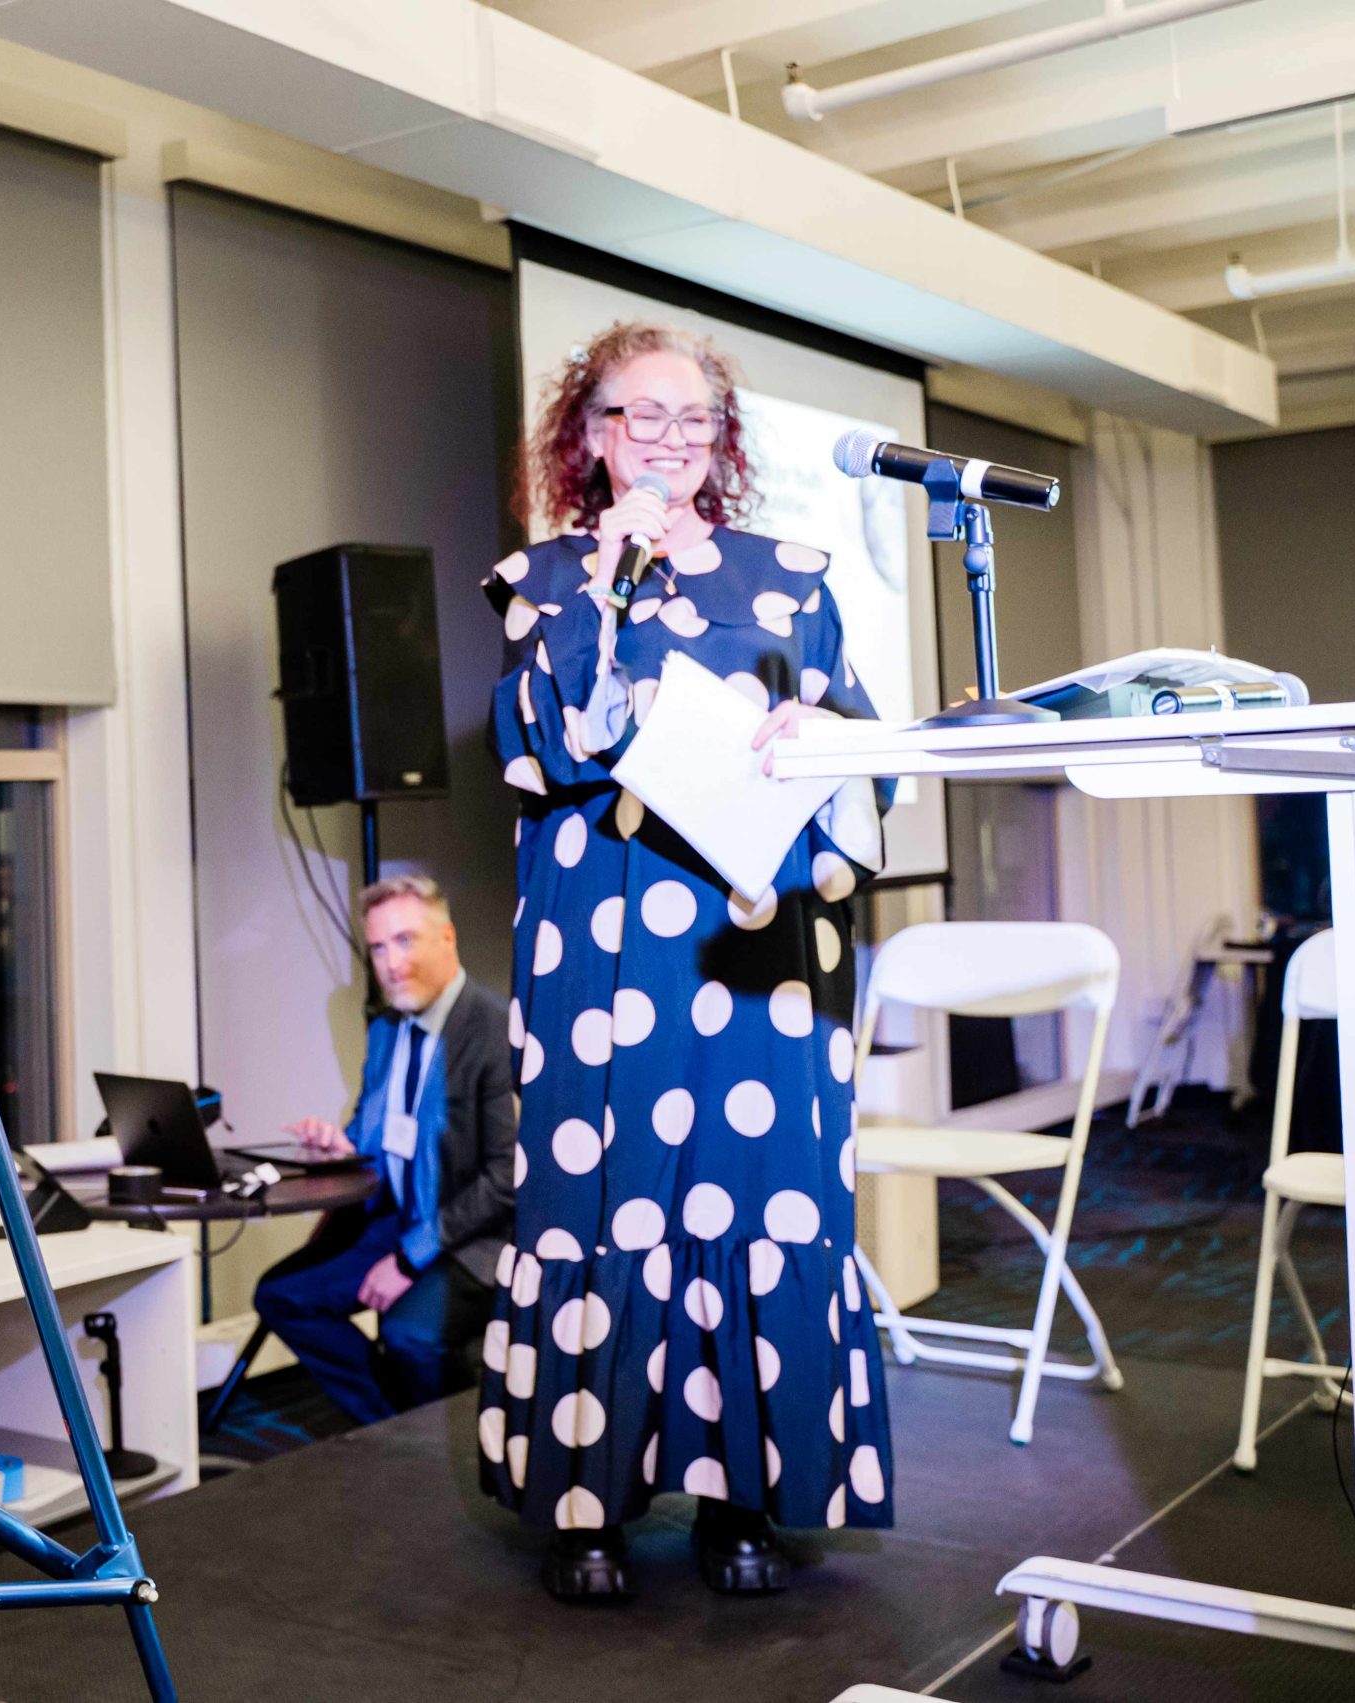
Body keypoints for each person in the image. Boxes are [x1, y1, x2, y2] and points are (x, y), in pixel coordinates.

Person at [474, 320, 893, 1603]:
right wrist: (602, 589)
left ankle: (743, 1494)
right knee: (605, 1202)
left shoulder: (794, 575)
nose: (664, 438)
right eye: (635, 415)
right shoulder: (541, 578)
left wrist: (809, 729)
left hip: (757, 936)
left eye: (690, 417)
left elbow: (868, 758)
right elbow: (549, 740)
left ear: (721, 439)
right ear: (590, 434)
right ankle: (587, 1502)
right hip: (603, 942)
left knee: (755, 1196)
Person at [251, 876, 519, 1425]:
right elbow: (373, 1134)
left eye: (405, 941)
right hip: (396, 1218)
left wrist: (407, 1257)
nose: (391, 963)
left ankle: (449, 1446)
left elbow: (507, 1175)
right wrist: (339, 1144)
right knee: (282, 1296)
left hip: (470, 1235)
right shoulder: (385, 1030)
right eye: (378, 947)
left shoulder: (493, 1030)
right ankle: (389, 1429)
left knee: (408, 1335)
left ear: (446, 938)